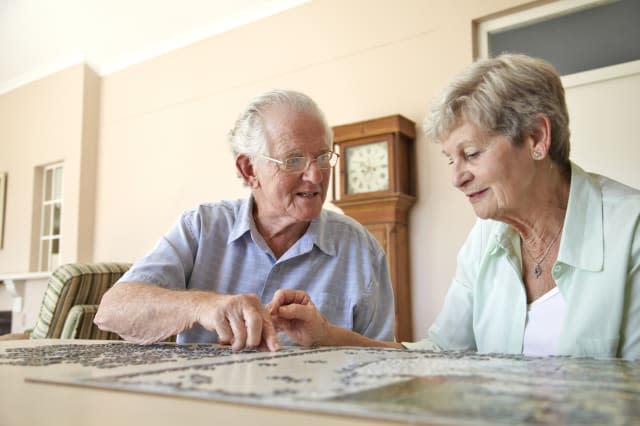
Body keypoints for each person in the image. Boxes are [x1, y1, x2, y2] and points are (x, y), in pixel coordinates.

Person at [269, 54, 640, 360]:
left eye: (472, 154)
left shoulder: (632, 231)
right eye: (451, 160)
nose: (457, 178)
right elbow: (441, 358)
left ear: (536, 138)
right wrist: (326, 336)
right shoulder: (485, 238)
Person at [94, 89, 395, 351]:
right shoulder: (202, 227)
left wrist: (327, 337)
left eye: (322, 157)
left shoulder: (361, 249)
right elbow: (113, 310)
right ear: (249, 170)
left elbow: (388, 358)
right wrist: (204, 306)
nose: (315, 175)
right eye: (293, 160)